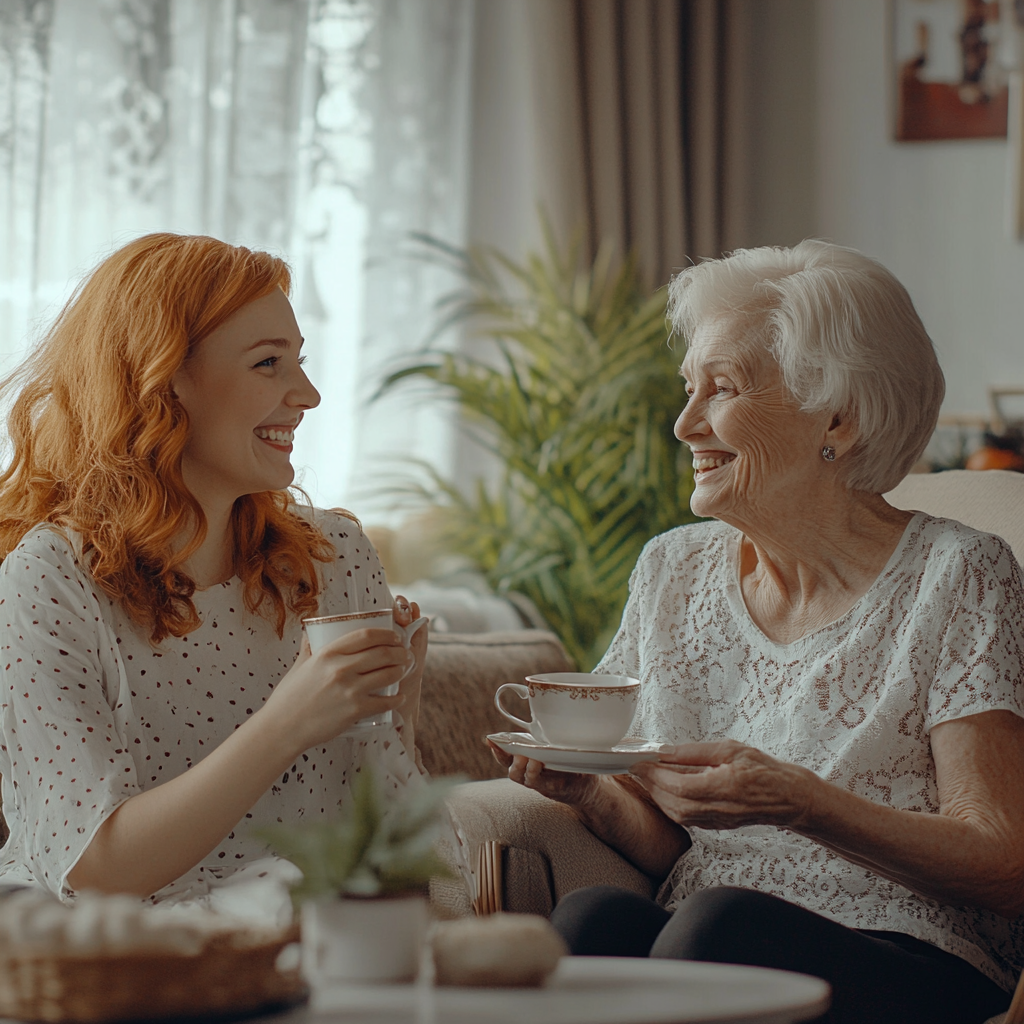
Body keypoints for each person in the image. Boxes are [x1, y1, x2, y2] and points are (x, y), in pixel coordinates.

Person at [490, 240, 1024, 1024]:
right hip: (712, 930)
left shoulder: (960, 574)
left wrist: (802, 803)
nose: (683, 424)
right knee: (593, 921)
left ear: (835, 417)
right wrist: (590, 793)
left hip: (913, 954)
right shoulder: (672, 570)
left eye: (723, 390)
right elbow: (683, 849)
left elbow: (1004, 858)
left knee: (716, 928)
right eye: (688, 389)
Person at [0, 233, 427, 913]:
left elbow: (383, 842)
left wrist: (391, 710)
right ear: (165, 382)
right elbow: (97, 870)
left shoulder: (334, 555)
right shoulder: (49, 580)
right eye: (268, 364)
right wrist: (291, 718)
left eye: (301, 363)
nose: (308, 394)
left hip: (311, 944)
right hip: (115, 964)